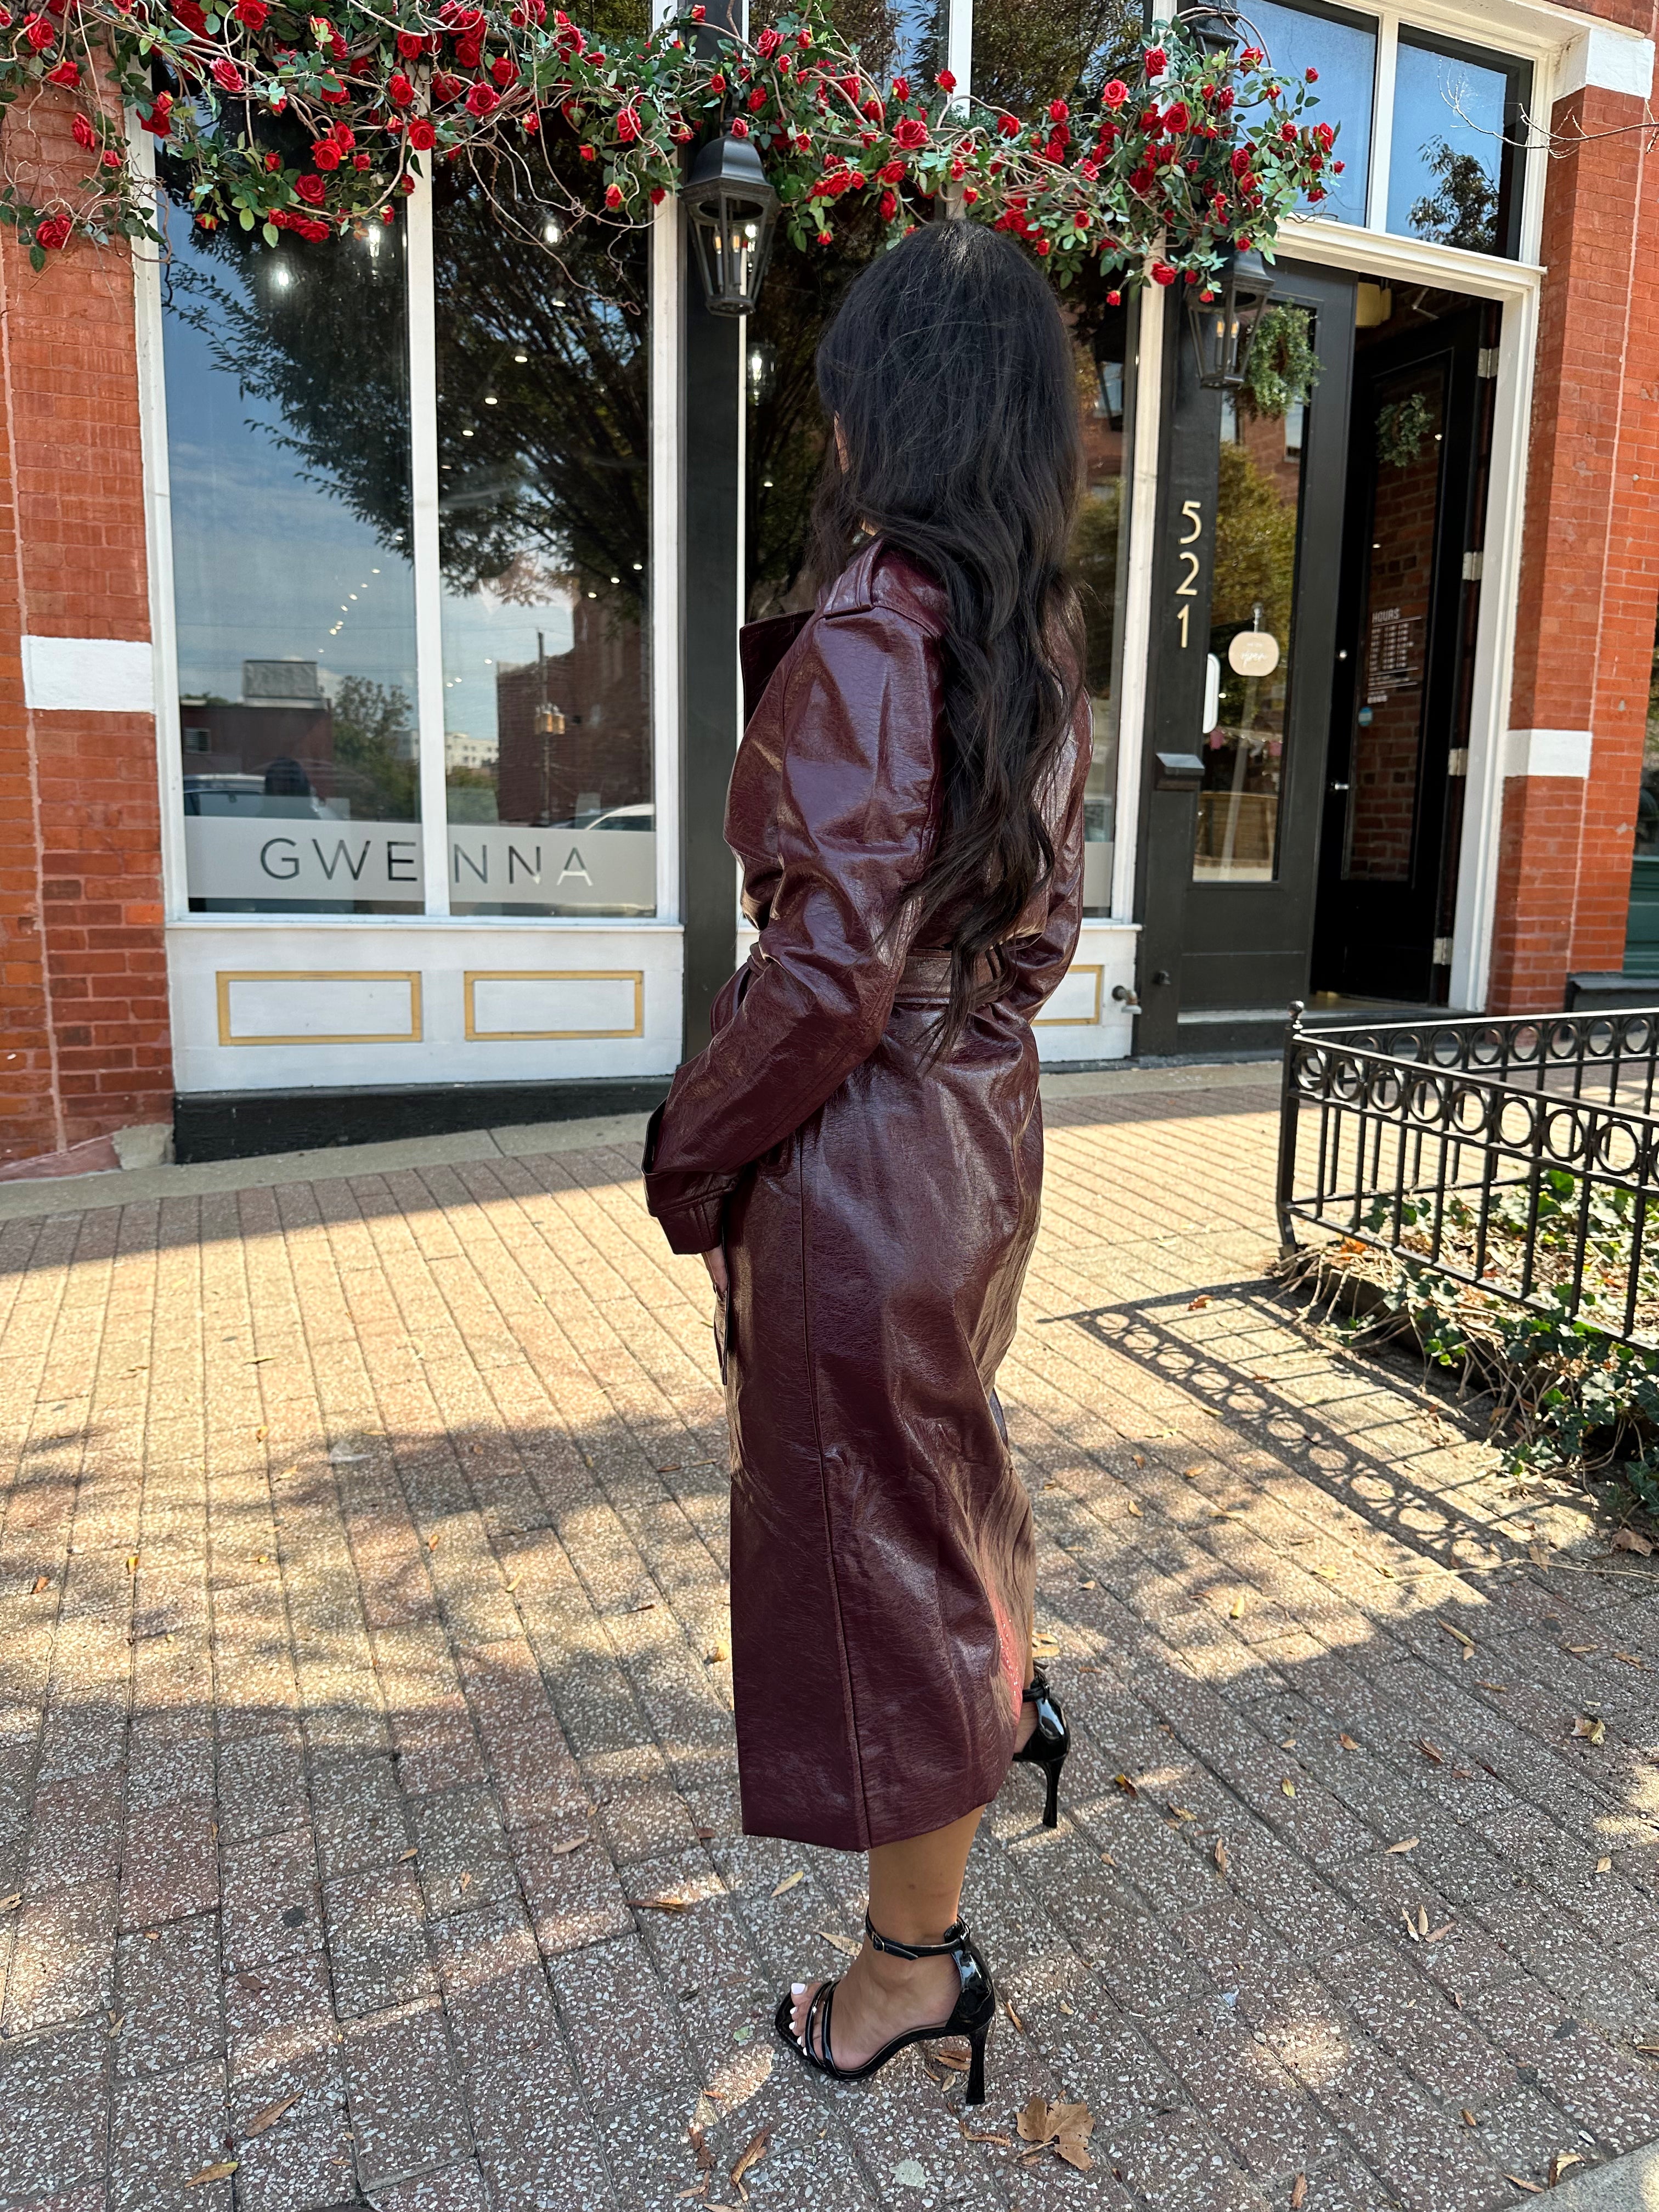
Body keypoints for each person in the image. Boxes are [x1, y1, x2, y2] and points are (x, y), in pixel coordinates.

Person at [641, 218, 1089, 2106]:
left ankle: (913, 1970)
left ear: (887, 411)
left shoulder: (877, 626)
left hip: (859, 1165)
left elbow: (820, 975)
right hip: (975, 1150)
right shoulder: (1025, 640)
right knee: (943, 1484)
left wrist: (687, 1151)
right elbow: (1031, 935)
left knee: (882, 1564)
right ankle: (1009, 1700)